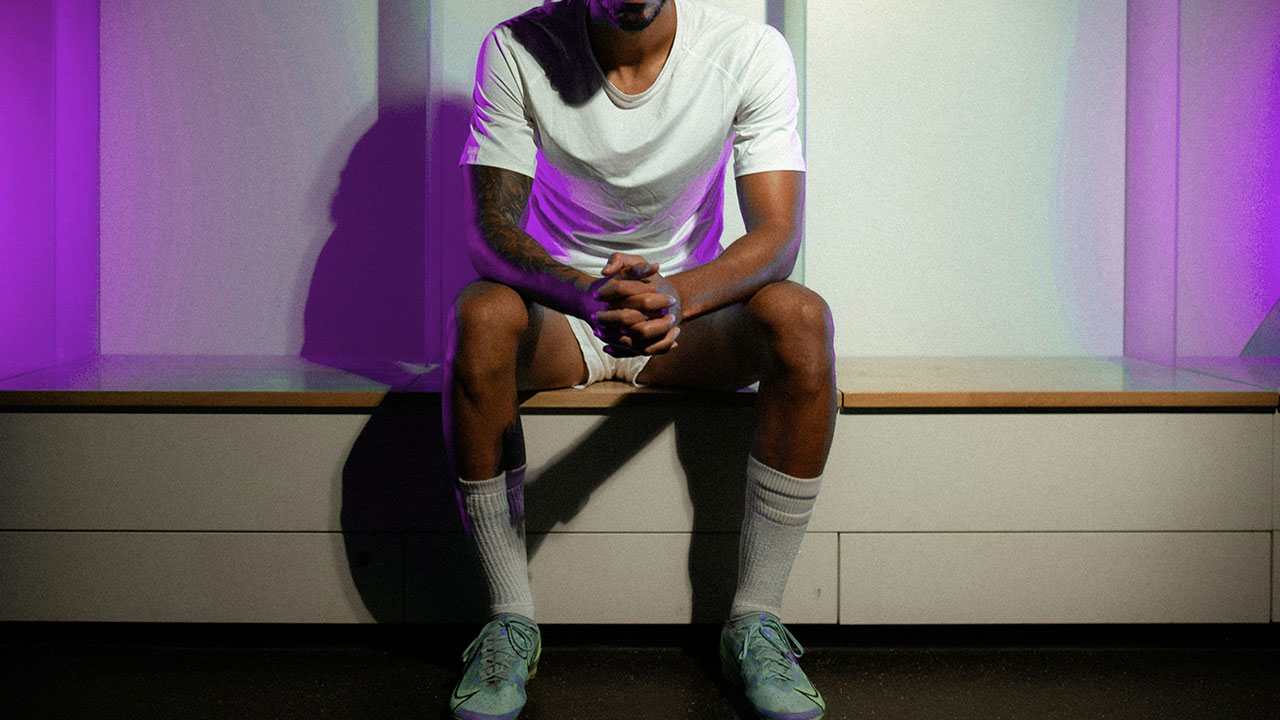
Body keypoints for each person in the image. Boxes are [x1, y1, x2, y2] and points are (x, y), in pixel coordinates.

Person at [445, 1, 836, 718]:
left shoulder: (748, 51)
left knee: (802, 319)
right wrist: (587, 292)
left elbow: (779, 235)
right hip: (567, 314)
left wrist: (677, 298)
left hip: (687, 319)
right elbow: (489, 228)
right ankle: (508, 620)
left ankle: (756, 620)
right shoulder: (518, 47)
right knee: (479, 315)